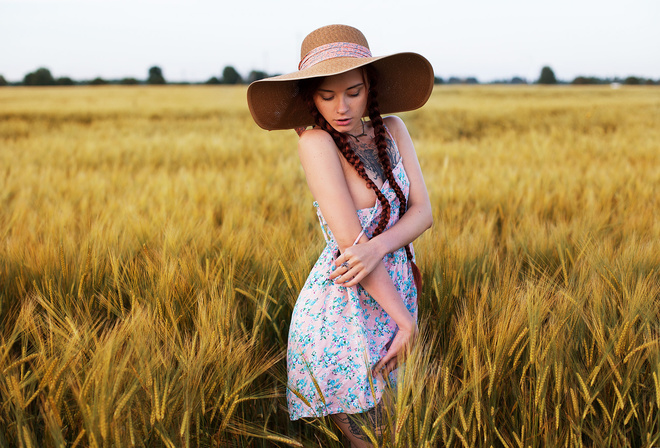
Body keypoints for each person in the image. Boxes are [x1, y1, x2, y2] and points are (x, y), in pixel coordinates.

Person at [247, 24, 434, 447]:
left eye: (352, 91)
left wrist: (381, 247)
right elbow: (352, 246)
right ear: (311, 97)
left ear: (370, 87)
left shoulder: (395, 129)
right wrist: (404, 320)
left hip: (396, 292)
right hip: (345, 308)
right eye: (326, 96)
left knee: (401, 432)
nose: (341, 107)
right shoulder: (315, 143)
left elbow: (423, 213)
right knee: (369, 440)